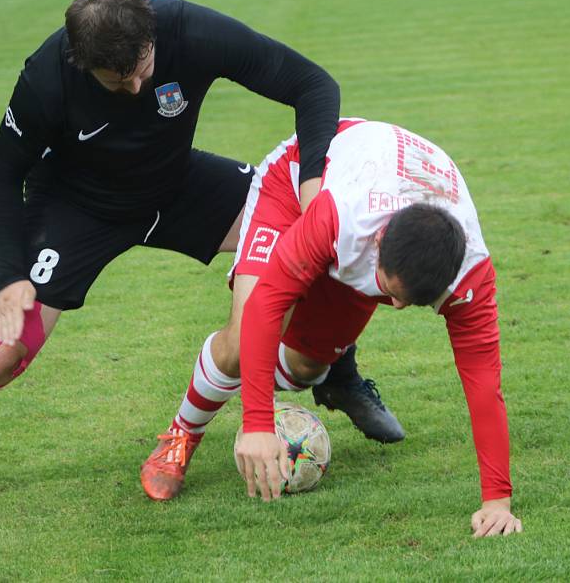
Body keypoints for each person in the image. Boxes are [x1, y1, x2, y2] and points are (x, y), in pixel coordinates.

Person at [0, 0, 341, 515]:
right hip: (76, 208)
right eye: (119, 82)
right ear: (81, 62)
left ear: (151, 33)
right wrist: (10, 277)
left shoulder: (188, 28)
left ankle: (338, 375)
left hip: (177, 185)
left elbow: (312, 83)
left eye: (144, 67)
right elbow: (2, 175)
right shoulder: (47, 78)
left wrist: (313, 176)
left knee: (311, 242)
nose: (139, 87)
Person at [141, 118, 523, 538]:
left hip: (376, 220)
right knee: (240, 341)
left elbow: (484, 384)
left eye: (408, 303)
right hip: (300, 182)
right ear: (378, 243)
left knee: (305, 367)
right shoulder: (341, 216)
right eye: (390, 291)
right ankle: (182, 434)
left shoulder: (471, 277)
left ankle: (337, 374)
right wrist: (257, 423)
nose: (393, 306)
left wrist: (497, 501)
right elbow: (269, 303)